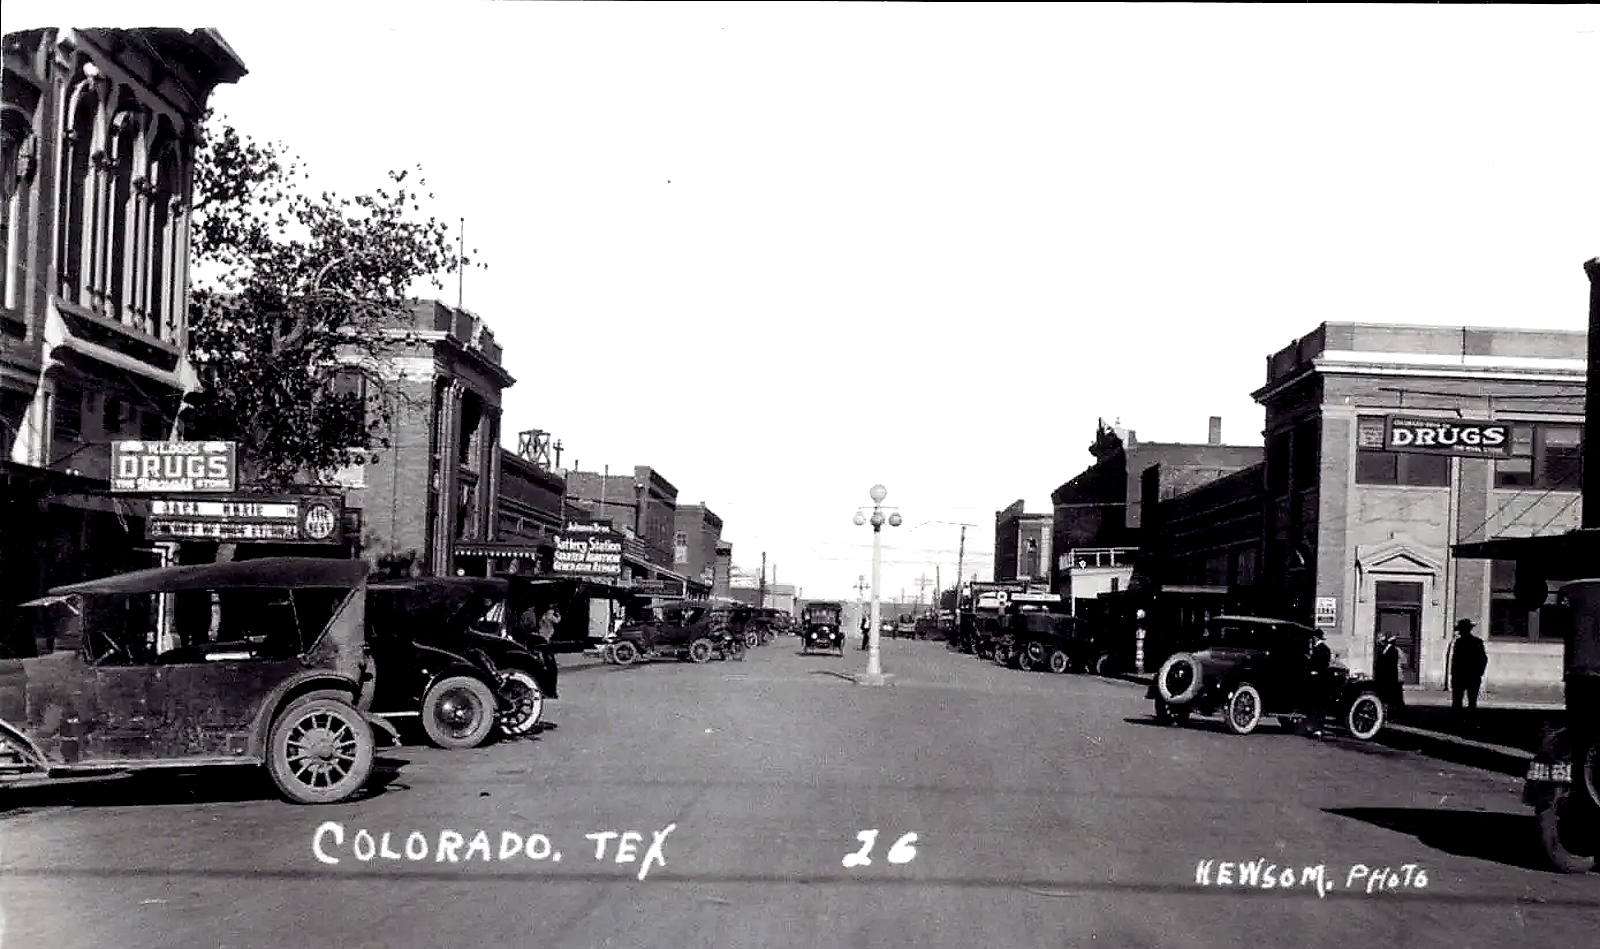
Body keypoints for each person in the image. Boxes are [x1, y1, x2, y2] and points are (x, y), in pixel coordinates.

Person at [1450, 618, 1488, 728]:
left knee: (1457, 700)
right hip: (1472, 676)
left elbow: (1455, 661)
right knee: (1472, 701)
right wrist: (1479, 673)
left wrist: (1453, 675)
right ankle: (1470, 721)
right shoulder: (1477, 642)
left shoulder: (1459, 643)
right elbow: (1484, 659)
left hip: (1461, 676)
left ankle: (1457, 720)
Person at [1304, 628, 1333, 738]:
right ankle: (1316, 727)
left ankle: (1318, 728)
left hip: (1319, 680)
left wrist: (1313, 669)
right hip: (1320, 680)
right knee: (1317, 705)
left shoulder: (1321, 649)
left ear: (1315, 638)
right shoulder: (1322, 649)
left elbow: (1320, 665)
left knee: (1317, 705)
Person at [1374, 632, 1406, 721]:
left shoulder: (1394, 650)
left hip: (1393, 678)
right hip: (1389, 678)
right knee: (1392, 698)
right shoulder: (1383, 650)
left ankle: (1398, 716)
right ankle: (1392, 715)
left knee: (1396, 698)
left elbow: (1395, 665)